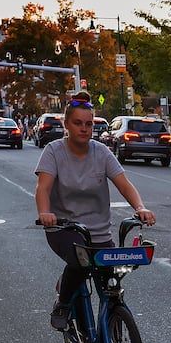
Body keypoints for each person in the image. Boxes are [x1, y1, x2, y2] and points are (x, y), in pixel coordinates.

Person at [35, 93, 156, 330]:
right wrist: (45, 213)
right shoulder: (53, 151)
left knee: (111, 285)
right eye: (78, 123)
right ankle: (63, 302)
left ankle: (114, 334)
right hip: (64, 229)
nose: (84, 128)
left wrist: (140, 207)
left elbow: (124, 184)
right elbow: (43, 188)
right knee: (80, 261)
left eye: (88, 123)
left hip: (99, 234)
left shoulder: (101, 152)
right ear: (66, 125)